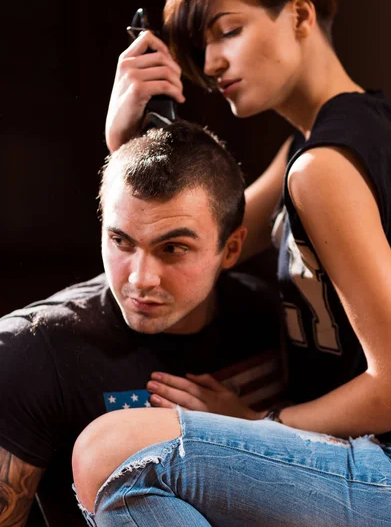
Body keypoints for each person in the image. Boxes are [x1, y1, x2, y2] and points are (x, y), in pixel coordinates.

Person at [72, 0, 391, 526]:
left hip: (389, 468)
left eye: (230, 31)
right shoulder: (316, 146)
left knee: (112, 452)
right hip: (364, 463)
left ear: (300, 14)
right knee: (122, 487)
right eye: (202, 44)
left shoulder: (323, 168)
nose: (212, 62)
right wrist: (123, 142)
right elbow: (193, 238)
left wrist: (258, 425)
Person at [0, 120, 283, 527]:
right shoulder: (32, 349)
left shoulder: (268, 315)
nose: (140, 279)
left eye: (173, 248)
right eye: (121, 242)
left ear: (232, 247)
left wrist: (251, 433)